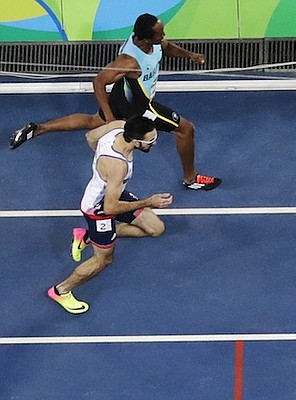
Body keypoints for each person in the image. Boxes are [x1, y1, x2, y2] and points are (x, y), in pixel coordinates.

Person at [9, 13, 221, 191]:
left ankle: (36, 129)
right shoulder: (128, 61)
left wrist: (190, 55)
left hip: (122, 95)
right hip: (139, 107)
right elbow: (99, 82)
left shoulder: (149, 41)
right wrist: (111, 120)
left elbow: (165, 47)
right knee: (186, 129)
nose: (164, 35)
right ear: (146, 38)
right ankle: (191, 179)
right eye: (160, 33)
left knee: (93, 121)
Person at [48, 114, 173, 314]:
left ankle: (86, 236)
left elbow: (90, 136)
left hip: (113, 191)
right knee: (104, 260)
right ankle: (61, 290)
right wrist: (149, 201)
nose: (154, 143)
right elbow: (110, 208)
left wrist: (101, 169)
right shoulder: (118, 166)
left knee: (156, 229)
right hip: (98, 208)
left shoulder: (118, 126)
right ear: (135, 140)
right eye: (150, 141)